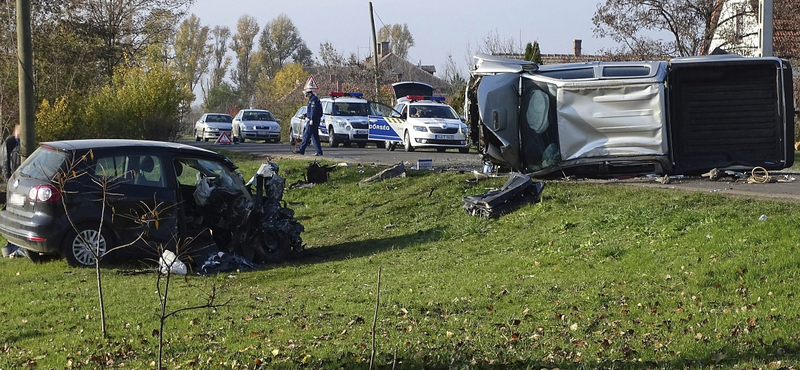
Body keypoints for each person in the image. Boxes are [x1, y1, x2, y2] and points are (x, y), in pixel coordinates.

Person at [1, 124, 21, 258]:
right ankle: (11, 243)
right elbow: (4, 163)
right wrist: (9, 181)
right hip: (13, 181)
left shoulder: (22, 144)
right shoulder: (9, 143)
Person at [296, 89, 323, 156]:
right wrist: (305, 115)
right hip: (314, 120)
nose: (306, 96)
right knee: (315, 137)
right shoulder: (314, 99)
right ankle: (319, 151)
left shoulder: (313, 100)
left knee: (306, 135)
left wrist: (311, 119)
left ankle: (301, 149)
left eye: (306, 95)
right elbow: (310, 111)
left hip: (313, 121)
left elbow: (314, 111)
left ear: (309, 94)